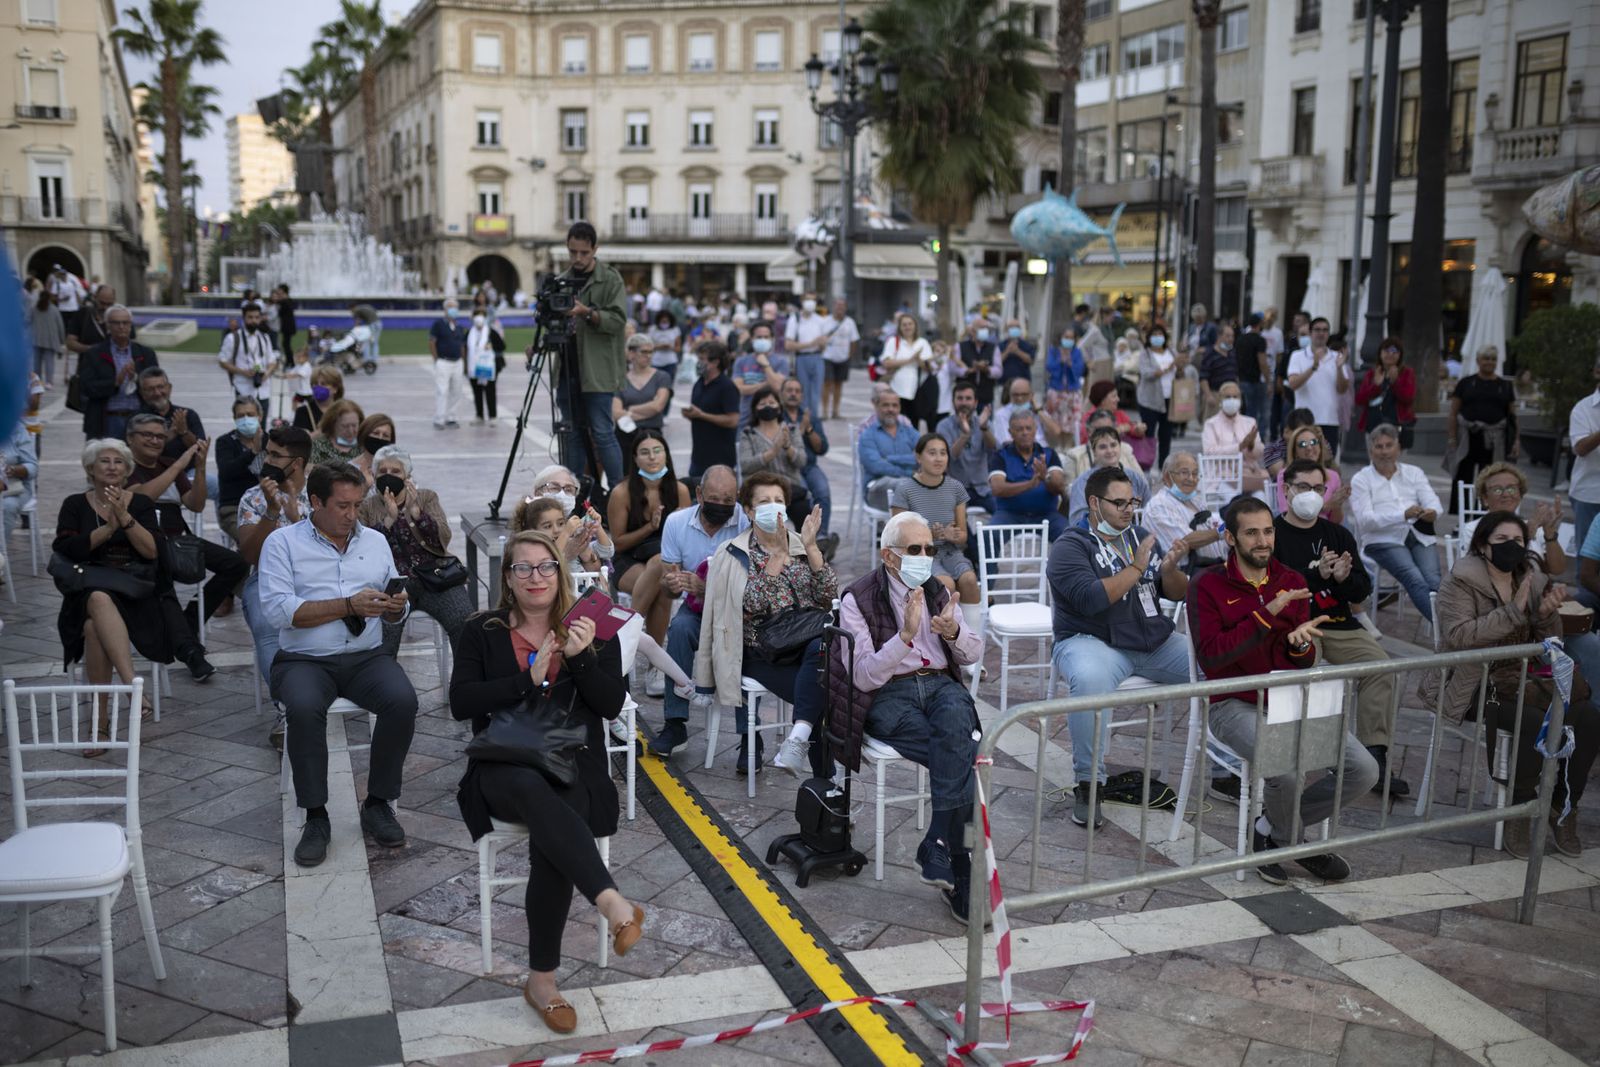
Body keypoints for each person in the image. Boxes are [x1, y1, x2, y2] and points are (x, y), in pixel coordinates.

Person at [450, 532, 646, 1034]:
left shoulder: (590, 627)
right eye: (523, 569)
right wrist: (528, 678)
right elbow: (461, 703)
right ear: (507, 578)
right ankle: (611, 903)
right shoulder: (481, 630)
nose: (535, 578)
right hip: (503, 763)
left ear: (559, 574)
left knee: (556, 821)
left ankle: (542, 982)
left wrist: (581, 659)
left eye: (545, 568)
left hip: (572, 762)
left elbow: (609, 706)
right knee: (537, 794)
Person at [1190, 496, 1376, 883]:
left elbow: (1303, 659)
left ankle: (1273, 834)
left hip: (1291, 698)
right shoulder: (1207, 584)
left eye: (1268, 531)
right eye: (1252, 532)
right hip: (1234, 702)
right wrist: (1267, 612)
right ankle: (1297, 844)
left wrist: (1302, 647)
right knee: (1286, 772)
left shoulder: (1291, 580)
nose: (1263, 540)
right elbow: (1213, 658)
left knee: (1364, 769)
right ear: (1230, 537)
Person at [259, 462, 418, 868]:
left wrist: (395, 608)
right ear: (315, 502)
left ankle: (379, 803)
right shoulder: (283, 544)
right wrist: (347, 606)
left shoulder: (375, 541)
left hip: (365, 656)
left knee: (402, 700)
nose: (352, 514)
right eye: (343, 506)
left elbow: (392, 601)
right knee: (304, 708)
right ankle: (315, 815)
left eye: (357, 504)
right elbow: (280, 612)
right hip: (304, 660)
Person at [832, 512, 985, 922]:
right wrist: (903, 638)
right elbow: (863, 676)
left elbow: (972, 653)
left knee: (956, 731)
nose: (924, 557)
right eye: (914, 550)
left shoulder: (938, 590)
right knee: (963, 755)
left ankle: (936, 841)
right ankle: (964, 873)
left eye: (929, 550)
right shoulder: (857, 598)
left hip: (939, 685)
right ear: (888, 555)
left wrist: (952, 632)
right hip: (889, 693)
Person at [1429, 512, 1596, 858]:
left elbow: (1550, 646)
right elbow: (1460, 638)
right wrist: (1514, 610)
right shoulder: (1460, 582)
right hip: (1475, 681)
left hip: (1526, 679)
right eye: (1502, 541)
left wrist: (1546, 615)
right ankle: (1518, 810)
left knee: (1589, 716)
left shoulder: (1531, 578)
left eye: (1518, 541)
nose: (1511, 548)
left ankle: (1563, 807)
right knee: (1531, 720)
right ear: (1482, 545)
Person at [1047, 465, 1190, 827]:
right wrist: (1138, 568)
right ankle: (1089, 785)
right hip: (1090, 641)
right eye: (1119, 503)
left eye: (1133, 502)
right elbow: (1093, 599)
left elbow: (1172, 592)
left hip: (1150, 639)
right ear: (1094, 503)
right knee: (1090, 683)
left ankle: (1233, 771)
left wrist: (1171, 570)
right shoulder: (1070, 546)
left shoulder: (1138, 535)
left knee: (1216, 664)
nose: (1129, 510)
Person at [1274, 459, 1406, 796]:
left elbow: (1362, 589)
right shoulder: (1272, 534)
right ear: (1287, 490)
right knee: (1306, 676)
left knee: (1381, 669)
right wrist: (1321, 575)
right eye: (1303, 487)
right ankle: (1298, 760)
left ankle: (1374, 758)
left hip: (1340, 626)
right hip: (1296, 627)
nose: (1311, 495)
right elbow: (1276, 588)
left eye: (1319, 488)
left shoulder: (1338, 535)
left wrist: (1346, 580)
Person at [696, 472, 835, 777]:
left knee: (823, 646)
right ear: (748, 510)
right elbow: (747, 606)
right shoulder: (732, 553)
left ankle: (800, 743)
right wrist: (776, 559)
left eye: (779, 501)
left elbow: (828, 598)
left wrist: (812, 550)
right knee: (825, 693)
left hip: (803, 645)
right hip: (758, 648)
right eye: (764, 502)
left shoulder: (800, 545)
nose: (774, 507)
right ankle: (829, 787)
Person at [53, 439, 171, 730]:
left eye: (118, 462)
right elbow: (67, 549)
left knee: (95, 623)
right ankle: (133, 688)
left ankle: (100, 721)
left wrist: (125, 518)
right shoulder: (74, 504)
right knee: (97, 601)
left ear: (127, 470)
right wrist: (107, 529)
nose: (111, 466)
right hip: (85, 587)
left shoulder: (141, 503)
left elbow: (152, 552)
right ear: (91, 468)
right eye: (104, 461)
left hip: (134, 592)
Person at [649, 465, 749, 756]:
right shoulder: (677, 523)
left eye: (728, 500)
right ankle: (675, 722)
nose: (721, 506)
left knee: (749, 645)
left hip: (739, 611)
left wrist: (707, 587)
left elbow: (754, 584)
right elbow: (670, 591)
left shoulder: (744, 522)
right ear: (699, 495)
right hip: (697, 610)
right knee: (679, 629)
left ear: (737, 498)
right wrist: (672, 583)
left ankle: (749, 737)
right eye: (714, 498)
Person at [125, 413, 246, 646]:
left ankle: (190, 621)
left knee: (236, 564)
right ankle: (187, 645)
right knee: (160, 577)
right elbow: (142, 498)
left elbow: (195, 504)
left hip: (176, 542)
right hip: (141, 545)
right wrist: (180, 464)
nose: (155, 441)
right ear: (130, 438)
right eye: (147, 435)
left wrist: (199, 469)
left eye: (160, 436)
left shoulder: (168, 464)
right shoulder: (123, 465)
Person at [236, 426, 315, 745]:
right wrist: (272, 510)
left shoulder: (323, 495)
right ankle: (287, 709)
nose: (265, 460)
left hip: (316, 579)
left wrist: (297, 519)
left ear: (295, 463)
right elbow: (250, 553)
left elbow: (335, 550)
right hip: (267, 578)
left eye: (273, 455)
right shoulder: (253, 497)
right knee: (268, 626)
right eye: (266, 452)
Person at [356, 445, 473, 658]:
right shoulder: (367, 506)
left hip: (433, 578)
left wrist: (417, 515)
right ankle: (384, 685)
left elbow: (443, 537)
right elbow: (363, 548)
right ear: (374, 475)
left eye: (396, 472)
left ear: (407, 476)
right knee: (385, 635)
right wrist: (389, 520)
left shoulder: (426, 497)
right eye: (383, 472)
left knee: (464, 621)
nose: (389, 477)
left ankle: (465, 682)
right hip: (391, 583)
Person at [554, 221, 627, 487]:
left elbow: (618, 320)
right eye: (573, 252)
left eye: (584, 252)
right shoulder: (561, 280)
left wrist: (586, 312)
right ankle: (569, 492)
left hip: (598, 371)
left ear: (595, 249)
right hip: (567, 369)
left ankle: (619, 492)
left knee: (602, 432)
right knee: (571, 432)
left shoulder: (610, 279)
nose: (578, 258)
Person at [607, 429, 690, 651]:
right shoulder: (621, 493)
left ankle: (626, 643)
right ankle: (652, 659)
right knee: (661, 574)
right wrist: (649, 528)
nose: (652, 457)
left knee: (662, 579)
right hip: (628, 560)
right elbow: (619, 543)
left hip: (666, 563)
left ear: (666, 455)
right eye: (645, 452)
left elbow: (688, 538)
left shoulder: (679, 490)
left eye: (657, 451)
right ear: (635, 459)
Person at [1349, 424, 1442, 621]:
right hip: (1382, 540)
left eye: (1389, 445)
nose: (1384, 451)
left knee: (1434, 580)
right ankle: (1446, 631)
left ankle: (1448, 626)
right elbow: (1366, 521)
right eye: (1379, 446)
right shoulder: (1361, 479)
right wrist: (1403, 515)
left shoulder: (1414, 472)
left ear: (1398, 448)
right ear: (1370, 450)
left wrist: (1431, 512)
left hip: (1418, 534)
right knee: (1414, 578)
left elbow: (1434, 502)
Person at [892, 434, 980, 613]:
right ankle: (943, 636)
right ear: (918, 457)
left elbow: (963, 535)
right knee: (946, 584)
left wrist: (953, 536)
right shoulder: (905, 489)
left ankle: (973, 635)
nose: (939, 458)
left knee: (970, 580)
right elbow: (898, 538)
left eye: (943, 453)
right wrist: (932, 535)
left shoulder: (956, 488)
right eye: (932, 453)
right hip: (919, 556)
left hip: (950, 552)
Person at [1442, 344, 1520, 516]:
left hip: (1494, 439)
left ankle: (1483, 515)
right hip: (1467, 436)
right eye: (1486, 358)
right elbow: (1453, 412)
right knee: (1462, 477)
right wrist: (1452, 438)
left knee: (1490, 479)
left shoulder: (1505, 385)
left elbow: (1513, 416)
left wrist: (1516, 440)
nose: (1489, 362)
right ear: (1478, 361)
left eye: (1493, 359)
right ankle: (1460, 516)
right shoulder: (1466, 383)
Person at [1457, 463, 1567, 578]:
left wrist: (1550, 535)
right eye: (1497, 490)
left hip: (1535, 591)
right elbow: (1485, 574)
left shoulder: (1535, 526)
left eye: (1511, 489)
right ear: (1485, 499)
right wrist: (1527, 534)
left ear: (1520, 495)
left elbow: (1557, 570)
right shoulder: (1473, 529)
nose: (1505, 494)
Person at [78, 305, 156, 440]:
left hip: (138, 420)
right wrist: (115, 383)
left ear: (131, 325)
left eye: (125, 323)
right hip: (106, 420)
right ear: (108, 326)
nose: (121, 327)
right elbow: (86, 387)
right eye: (116, 323)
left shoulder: (145, 353)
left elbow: (156, 386)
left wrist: (135, 378)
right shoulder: (94, 354)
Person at [739, 385, 813, 526]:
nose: (768, 407)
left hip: (788, 489)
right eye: (763, 404)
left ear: (779, 407)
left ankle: (804, 545)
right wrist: (772, 452)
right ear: (755, 408)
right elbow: (745, 464)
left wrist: (787, 447)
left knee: (803, 512)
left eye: (772, 403)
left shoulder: (790, 429)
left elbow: (802, 461)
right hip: (759, 489)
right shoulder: (748, 433)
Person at [778, 376, 837, 555]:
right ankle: (803, 541)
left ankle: (821, 538)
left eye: (797, 391)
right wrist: (798, 432)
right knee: (804, 497)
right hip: (788, 468)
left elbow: (822, 448)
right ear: (781, 394)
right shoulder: (777, 415)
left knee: (823, 492)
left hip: (809, 465)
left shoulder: (809, 416)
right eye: (789, 390)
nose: (793, 394)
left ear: (802, 395)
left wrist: (809, 429)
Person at [1141, 452, 1226, 573]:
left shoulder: (1196, 501)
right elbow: (1186, 540)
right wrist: (1224, 530)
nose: (1191, 478)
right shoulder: (1159, 505)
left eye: (1195, 473)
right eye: (1184, 472)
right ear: (1167, 477)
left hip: (1214, 566)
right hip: (1185, 574)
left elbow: (1215, 526)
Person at [990, 410, 1070, 538]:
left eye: (1028, 428)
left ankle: (1059, 559)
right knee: (990, 534)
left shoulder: (1049, 454)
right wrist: (1030, 484)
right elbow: (997, 488)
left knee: (1067, 534)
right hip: (1009, 514)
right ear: (1010, 432)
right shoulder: (1000, 455)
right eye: (1019, 429)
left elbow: (1059, 487)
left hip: (1046, 515)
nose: (1025, 433)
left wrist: (1046, 478)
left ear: (1035, 430)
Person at [1284, 317, 1351, 456]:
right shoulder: (1298, 356)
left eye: (1325, 330)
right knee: (1303, 460)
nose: (1321, 333)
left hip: (1330, 420)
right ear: (1310, 333)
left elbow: (1343, 389)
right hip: (1304, 421)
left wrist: (1339, 368)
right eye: (1317, 330)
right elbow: (1293, 384)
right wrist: (1313, 366)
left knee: (1328, 462)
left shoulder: (1336, 357)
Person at [1067, 426, 1149, 526]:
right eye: (1102, 447)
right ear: (1094, 452)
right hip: (1095, 538)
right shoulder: (1082, 482)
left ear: (1120, 447)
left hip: (1134, 535)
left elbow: (1150, 511)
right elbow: (1077, 521)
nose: (1109, 451)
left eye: (1113, 445)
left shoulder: (1135, 478)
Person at [936, 380, 997, 511]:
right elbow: (951, 456)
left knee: (1001, 513)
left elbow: (993, 448)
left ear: (975, 402)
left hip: (983, 489)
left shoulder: (984, 422)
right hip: (956, 490)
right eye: (960, 398)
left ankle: (980, 533)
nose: (964, 402)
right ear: (953, 402)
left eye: (968, 398)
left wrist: (984, 428)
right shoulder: (943, 426)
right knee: (959, 524)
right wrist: (965, 435)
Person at [1272, 421, 1348, 523]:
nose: (1309, 448)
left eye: (1313, 442)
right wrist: (1326, 506)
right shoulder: (1285, 474)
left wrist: (1337, 505)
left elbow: (1336, 521)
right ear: (1295, 451)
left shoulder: (1333, 476)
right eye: (1302, 444)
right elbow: (1286, 512)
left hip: (1325, 532)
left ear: (1320, 447)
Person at [684, 339, 740, 477]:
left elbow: (733, 420)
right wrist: (691, 415)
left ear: (715, 362)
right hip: (698, 456)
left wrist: (701, 415)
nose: (699, 363)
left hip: (720, 459)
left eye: (703, 359)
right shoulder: (700, 383)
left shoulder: (727, 387)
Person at [613, 333, 674, 456]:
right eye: (644, 352)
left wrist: (630, 410)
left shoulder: (661, 377)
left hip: (653, 434)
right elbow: (616, 413)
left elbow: (658, 406)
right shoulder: (620, 379)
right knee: (626, 473)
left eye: (651, 352)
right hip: (626, 435)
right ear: (631, 353)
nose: (649, 356)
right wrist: (648, 408)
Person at [1201, 381, 1266, 494]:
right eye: (1228, 397)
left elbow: (1260, 452)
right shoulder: (1211, 424)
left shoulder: (1250, 422)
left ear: (1240, 399)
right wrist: (1239, 447)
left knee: (1261, 498)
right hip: (1221, 478)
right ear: (1220, 400)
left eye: (1235, 397)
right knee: (1232, 498)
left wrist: (1251, 445)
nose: (1232, 400)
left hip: (1249, 476)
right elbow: (1209, 451)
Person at [215, 395, 264, 542]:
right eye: (241, 416)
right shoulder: (225, 442)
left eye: (250, 415)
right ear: (235, 418)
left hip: (268, 507)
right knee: (254, 542)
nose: (246, 419)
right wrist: (253, 452)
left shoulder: (270, 441)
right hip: (234, 510)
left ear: (259, 417)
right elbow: (226, 472)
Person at [860, 390, 920, 509]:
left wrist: (889, 459)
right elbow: (876, 466)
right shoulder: (868, 435)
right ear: (876, 407)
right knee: (907, 486)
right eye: (885, 405)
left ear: (899, 408)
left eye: (894, 405)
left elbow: (924, 456)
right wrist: (908, 473)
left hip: (910, 485)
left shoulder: (909, 432)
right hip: (877, 487)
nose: (890, 409)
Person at [1354, 337, 1417, 449]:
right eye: (1386, 351)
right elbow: (1360, 399)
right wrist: (1376, 386)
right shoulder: (1372, 373)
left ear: (1400, 355)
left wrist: (1395, 382)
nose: (1390, 355)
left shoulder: (1406, 373)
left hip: (1397, 425)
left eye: (1394, 351)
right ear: (1380, 354)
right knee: (1374, 460)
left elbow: (1408, 398)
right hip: (1373, 425)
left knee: (1394, 462)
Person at [135, 366, 206, 463]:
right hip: (152, 472)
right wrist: (166, 437)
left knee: (211, 479)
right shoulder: (136, 419)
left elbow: (200, 451)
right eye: (151, 389)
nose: (157, 393)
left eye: (160, 387)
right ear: (142, 393)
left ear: (169, 388)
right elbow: (134, 453)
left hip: (187, 471)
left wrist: (184, 432)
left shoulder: (188, 414)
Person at [1568, 355, 1600, 554]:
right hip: (1589, 493)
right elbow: (1580, 448)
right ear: (1597, 372)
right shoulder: (1583, 408)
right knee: (1587, 557)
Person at [730, 321, 790, 427]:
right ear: (752, 339)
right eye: (759, 337)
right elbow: (738, 389)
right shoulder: (741, 361)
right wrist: (767, 384)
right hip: (745, 418)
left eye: (766, 337)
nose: (763, 340)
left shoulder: (782, 361)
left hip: (773, 420)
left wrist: (766, 365)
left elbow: (777, 387)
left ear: (772, 339)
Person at [882, 311, 936, 428]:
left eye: (910, 324)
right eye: (904, 325)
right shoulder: (893, 342)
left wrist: (920, 361)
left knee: (913, 423)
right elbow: (886, 363)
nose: (907, 327)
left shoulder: (923, 343)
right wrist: (910, 359)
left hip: (917, 390)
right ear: (900, 327)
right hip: (897, 389)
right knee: (897, 423)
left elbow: (929, 367)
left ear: (915, 326)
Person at [218, 302, 279, 404]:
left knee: (262, 420)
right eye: (250, 317)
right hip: (243, 389)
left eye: (256, 317)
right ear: (244, 318)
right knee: (245, 420)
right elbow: (222, 361)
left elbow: (272, 361)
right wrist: (243, 372)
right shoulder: (232, 338)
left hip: (263, 391)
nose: (253, 320)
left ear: (260, 318)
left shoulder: (265, 337)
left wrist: (266, 374)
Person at [1137, 326, 1177, 467]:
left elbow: (1179, 370)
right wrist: (1166, 369)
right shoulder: (1145, 354)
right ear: (1149, 338)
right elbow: (1146, 373)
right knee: (1149, 434)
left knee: (1166, 434)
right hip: (1150, 400)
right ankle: (1146, 465)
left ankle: (1163, 465)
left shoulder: (1171, 352)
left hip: (1169, 399)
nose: (1158, 337)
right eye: (1154, 334)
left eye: (1160, 334)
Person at [787, 290, 829, 420]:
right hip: (801, 358)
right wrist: (811, 343)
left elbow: (823, 345)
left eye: (813, 300)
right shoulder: (795, 319)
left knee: (816, 392)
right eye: (808, 299)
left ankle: (814, 419)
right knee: (802, 391)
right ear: (802, 301)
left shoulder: (821, 320)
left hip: (817, 358)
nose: (811, 303)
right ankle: (802, 418)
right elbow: (788, 345)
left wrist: (822, 343)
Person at [993, 376, 1063, 448]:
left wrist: (1039, 411)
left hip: (1042, 449)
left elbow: (1056, 432)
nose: (1019, 398)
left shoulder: (1037, 410)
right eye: (1016, 395)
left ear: (1031, 395)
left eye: (1024, 394)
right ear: (1010, 395)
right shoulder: (1002, 414)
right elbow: (1005, 443)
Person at [463, 307, 506, 421]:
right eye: (477, 315)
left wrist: (491, 346)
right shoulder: (469, 333)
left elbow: (502, 346)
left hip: (488, 367)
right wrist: (465, 366)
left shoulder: (491, 332)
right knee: (477, 392)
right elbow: (464, 348)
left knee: (490, 391)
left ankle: (492, 416)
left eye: (481, 315)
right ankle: (479, 415)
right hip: (473, 367)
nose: (479, 318)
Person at [429, 298, 466, 428]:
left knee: (457, 390)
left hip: (457, 362)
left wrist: (463, 361)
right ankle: (439, 418)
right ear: (445, 309)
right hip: (443, 361)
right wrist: (436, 359)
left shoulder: (459, 326)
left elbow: (462, 345)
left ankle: (452, 417)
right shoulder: (438, 324)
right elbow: (432, 342)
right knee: (442, 390)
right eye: (450, 307)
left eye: (455, 307)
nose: (453, 310)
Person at [821, 297, 859, 420]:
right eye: (837, 306)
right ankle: (824, 411)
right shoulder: (825, 321)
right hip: (828, 357)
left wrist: (849, 355)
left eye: (842, 306)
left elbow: (854, 341)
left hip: (843, 358)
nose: (839, 308)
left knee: (838, 385)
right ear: (833, 307)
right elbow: (820, 338)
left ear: (845, 308)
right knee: (827, 384)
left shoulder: (850, 322)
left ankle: (836, 411)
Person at [1, 420, 38, 546]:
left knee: (7, 506)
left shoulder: (15, 427)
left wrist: (12, 470)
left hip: (13, 487)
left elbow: (32, 466)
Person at [1047, 325, 1087, 439]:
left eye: (1071, 338)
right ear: (1061, 337)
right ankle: (1056, 447)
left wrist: (1070, 364)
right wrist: (1060, 362)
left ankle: (1068, 447)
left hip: (1073, 392)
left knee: (1072, 423)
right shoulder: (1054, 351)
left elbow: (1080, 370)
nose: (1068, 340)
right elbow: (1049, 367)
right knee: (1055, 421)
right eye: (1066, 337)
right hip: (1056, 391)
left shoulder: (1077, 352)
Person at [1198, 323, 1239, 421]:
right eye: (1228, 336)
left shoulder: (1232, 353)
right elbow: (1203, 378)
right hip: (1215, 395)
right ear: (1219, 336)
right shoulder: (1210, 353)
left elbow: (1235, 374)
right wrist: (1208, 396)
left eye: (1232, 336)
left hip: (1231, 398)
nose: (1231, 339)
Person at [26, 286, 65, 385]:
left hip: (36, 339)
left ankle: (37, 381)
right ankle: (49, 382)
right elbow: (60, 326)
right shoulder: (54, 310)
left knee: (36, 362)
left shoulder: (34, 308)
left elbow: (27, 321)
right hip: (50, 340)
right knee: (49, 362)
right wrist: (62, 340)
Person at [1235, 313, 1270, 423]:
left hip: (1241, 379)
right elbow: (1262, 362)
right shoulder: (1260, 340)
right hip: (1255, 381)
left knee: (1243, 410)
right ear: (1259, 324)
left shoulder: (1240, 339)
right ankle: (1256, 437)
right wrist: (1269, 381)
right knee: (1256, 412)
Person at [66, 283, 116, 357]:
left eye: (109, 304)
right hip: (87, 365)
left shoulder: (120, 316)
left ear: (114, 301)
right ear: (95, 298)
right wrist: (92, 349)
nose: (105, 307)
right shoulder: (83, 314)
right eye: (102, 303)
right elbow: (70, 343)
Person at [311, 399, 366, 466]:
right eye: (345, 426)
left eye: (354, 425)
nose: (351, 431)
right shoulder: (318, 446)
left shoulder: (365, 445)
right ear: (332, 424)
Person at [293, 365, 343, 433]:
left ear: (335, 388)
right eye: (315, 384)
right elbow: (297, 441)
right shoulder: (303, 412)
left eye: (323, 384)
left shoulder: (344, 411)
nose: (318, 387)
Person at [353, 413, 396, 486]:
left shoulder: (397, 468)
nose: (380, 438)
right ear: (364, 434)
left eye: (385, 435)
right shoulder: (350, 468)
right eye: (376, 433)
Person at [997, 318, 1035, 390]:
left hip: (1023, 384)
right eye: (1011, 327)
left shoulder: (1027, 345)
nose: (1014, 329)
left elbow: (1030, 361)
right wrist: (1007, 351)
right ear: (1006, 330)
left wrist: (1017, 351)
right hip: (1004, 384)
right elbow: (997, 361)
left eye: (1017, 327)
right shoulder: (1000, 345)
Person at [647, 309, 682, 381]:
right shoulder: (653, 329)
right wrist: (658, 346)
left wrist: (670, 347)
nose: (664, 323)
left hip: (670, 361)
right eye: (662, 321)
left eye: (666, 321)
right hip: (655, 362)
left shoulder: (675, 329)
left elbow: (678, 348)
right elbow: (647, 346)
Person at [272, 285, 298, 355]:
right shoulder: (287, 301)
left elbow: (281, 313)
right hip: (287, 327)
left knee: (286, 344)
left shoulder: (285, 302)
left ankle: (290, 362)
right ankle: (289, 361)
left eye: (279, 291)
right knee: (285, 344)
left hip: (288, 327)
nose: (278, 293)